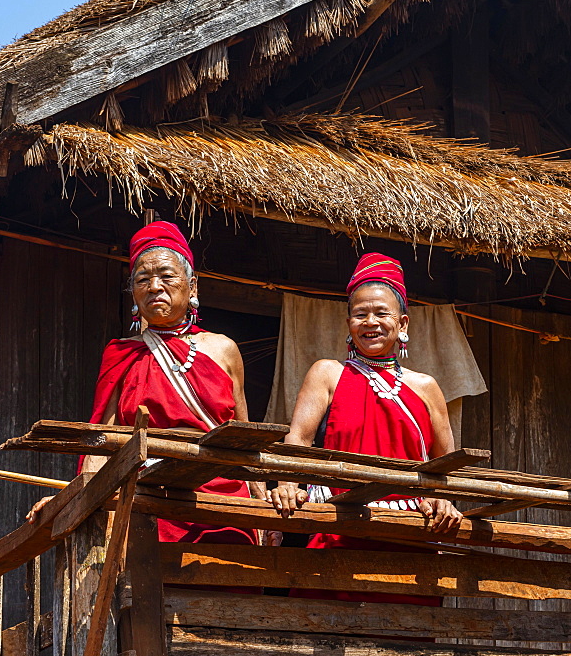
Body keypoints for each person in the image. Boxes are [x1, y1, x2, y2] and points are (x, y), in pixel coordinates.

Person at [27, 221, 261, 544]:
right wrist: (70, 500)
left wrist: (265, 509)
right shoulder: (121, 355)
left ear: (192, 287)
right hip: (149, 502)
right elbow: (102, 442)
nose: (154, 286)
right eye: (142, 279)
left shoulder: (224, 350)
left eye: (166, 276)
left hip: (223, 502)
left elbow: (244, 439)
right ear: (133, 293)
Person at [269, 252, 462, 604]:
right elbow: (298, 438)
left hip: (406, 534)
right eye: (360, 314)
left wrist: (445, 500)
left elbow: (444, 460)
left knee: (405, 641)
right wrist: (286, 485)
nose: (370, 321)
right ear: (348, 324)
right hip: (338, 524)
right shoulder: (327, 374)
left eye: (381, 313)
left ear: (403, 324)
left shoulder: (426, 387)